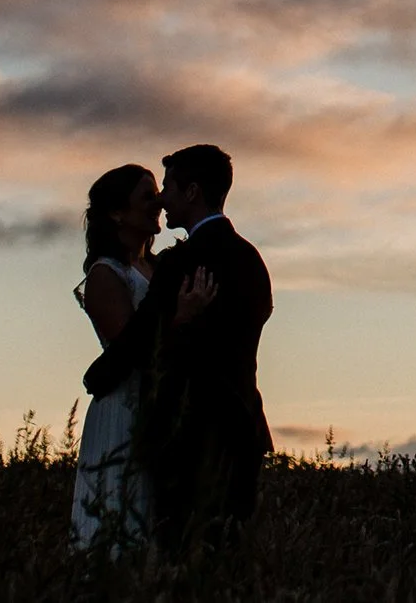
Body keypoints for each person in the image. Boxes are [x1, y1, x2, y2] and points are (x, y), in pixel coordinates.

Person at [83, 143, 274, 550]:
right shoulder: (251, 259)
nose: (161, 200)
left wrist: (95, 377)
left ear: (191, 193)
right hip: (241, 426)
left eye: (166, 188)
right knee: (228, 557)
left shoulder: (179, 264)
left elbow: (138, 342)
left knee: (179, 553)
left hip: (187, 432)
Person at [67, 164, 157, 548]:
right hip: (122, 409)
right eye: (147, 197)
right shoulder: (106, 274)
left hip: (155, 408)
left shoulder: (155, 267)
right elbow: (129, 346)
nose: (158, 204)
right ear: (118, 213)